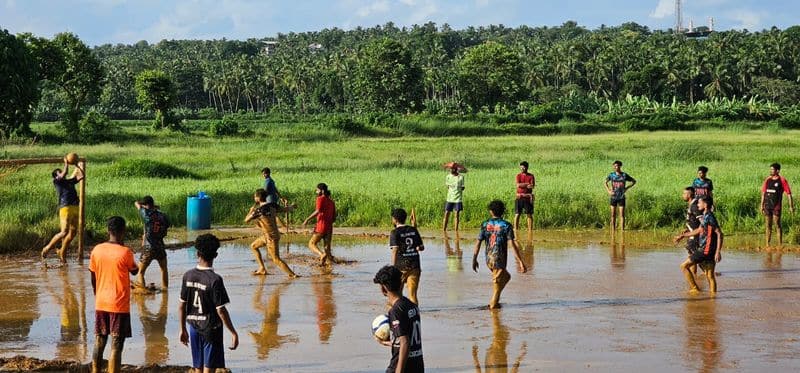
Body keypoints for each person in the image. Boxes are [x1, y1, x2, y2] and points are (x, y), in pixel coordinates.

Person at [178, 233, 239, 373]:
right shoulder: (215, 280)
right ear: (216, 255)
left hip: (193, 326)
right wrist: (233, 332)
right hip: (211, 329)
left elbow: (181, 306)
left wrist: (182, 329)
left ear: (197, 253)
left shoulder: (188, 275)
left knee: (197, 367)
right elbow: (221, 310)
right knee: (209, 368)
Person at [89, 216, 139, 373]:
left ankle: (95, 370)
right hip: (119, 305)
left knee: (99, 340)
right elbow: (135, 271)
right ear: (123, 231)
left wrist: (98, 295)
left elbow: (93, 277)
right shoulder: (125, 252)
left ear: (107, 231)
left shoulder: (97, 250)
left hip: (101, 302)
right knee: (116, 344)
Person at [472, 200, 527, 309]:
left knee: (507, 277)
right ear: (503, 212)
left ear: (491, 212)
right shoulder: (506, 226)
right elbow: (512, 245)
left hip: (489, 259)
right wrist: (520, 261)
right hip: (500, 259)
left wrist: (474, 259)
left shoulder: (485, 224)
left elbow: (478, 243)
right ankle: (493, 308)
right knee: (497, 286)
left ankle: (495, 303)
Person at [373, 265, 424, 373]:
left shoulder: (395, 311)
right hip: (417, 365)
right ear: (401, 284)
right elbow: (406, 340)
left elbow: (405, 342)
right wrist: (385, 343)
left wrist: (399, 370)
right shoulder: (412, 305)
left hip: (401, 366)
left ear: (383, 288)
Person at [674, 196, 723, 294]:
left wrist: (718, 251)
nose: (697, 205)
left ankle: (694, 288)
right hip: (709, 250)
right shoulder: (705, 216)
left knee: (684, 266)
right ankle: (713, 299)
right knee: (710, 276)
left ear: (705, 205)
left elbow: (719, 233)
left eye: (699, 203)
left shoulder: (710, 217)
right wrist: (683, 235)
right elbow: (699, 230)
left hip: (705, 249)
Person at [245, 188, 298, 278]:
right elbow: (285, 209)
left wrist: (251, 211)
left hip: (270, 237)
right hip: (271, 235)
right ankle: (262, 268)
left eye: (255, 196)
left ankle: (293, 275)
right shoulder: (272, 205)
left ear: (258, 198)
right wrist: (292, 206)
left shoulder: (258, 211)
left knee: (276, 259)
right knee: (253, 246)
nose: (254, 198)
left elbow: (246, 220)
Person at [41, 157, 85, 263]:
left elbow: (82, 176)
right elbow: (64, 173)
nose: (61, 173)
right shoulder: (57, 182)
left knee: (73, 233)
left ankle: (62, 251)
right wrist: (66, 163)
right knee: (64, 232)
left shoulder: (69, 181)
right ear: (56, 176)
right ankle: (47, 248)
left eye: (61, 171)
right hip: (65, 208)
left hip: (75, 207)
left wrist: (77, 165)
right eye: (59, 173)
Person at [389, 208, 425, 305]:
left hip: (400, 267)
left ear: (395, 220)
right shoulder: (413, 230)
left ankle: (398, 315)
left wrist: (392, 268)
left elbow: (395, 251)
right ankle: (415, 315)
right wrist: (418, 248)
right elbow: (421, 247)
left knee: (397, 295)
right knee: (412, 295)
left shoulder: (394, 233)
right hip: (414, 265)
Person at [134, 196, 170, 289]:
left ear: (145, 205)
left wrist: (142, 205)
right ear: (153, 204)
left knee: (140, 272)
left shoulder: (146, 214)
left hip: (148, 247)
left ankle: (142, 293)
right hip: (160, 246)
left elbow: (136, 203)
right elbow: (167, 224)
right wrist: (155, 208)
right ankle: (165, 291)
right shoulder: (163, 216)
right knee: (164, 270)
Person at [760, 163, 795, 247]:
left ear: (777, 171)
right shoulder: (767, 179)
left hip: (776, 206)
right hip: (767, 205)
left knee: (777, 225)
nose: (771, 171)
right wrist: (761, 205)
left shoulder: (782, 180)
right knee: (768, 225)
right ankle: (767, 245)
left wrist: (791, 206)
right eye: (770, 169)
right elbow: (763, 193)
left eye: (772, 169)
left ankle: (780, 245)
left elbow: (789, 194)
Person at [302, 183, 337, 266]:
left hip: (321, 226)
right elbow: (334, 217)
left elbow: (317, 211)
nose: (316, 191)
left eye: (317, 190)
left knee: (311, 244)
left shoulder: (320, 199)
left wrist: (307, 219)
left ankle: (321, 254)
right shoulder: (331, 202)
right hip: (329, 227)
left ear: (322, 191)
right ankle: (327, 264)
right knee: (327, 248)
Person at [675, 187, 702, 274]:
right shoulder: (692, 205)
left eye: (684, 194)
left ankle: (707, 274)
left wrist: (686, 235)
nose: (682, 195)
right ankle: (695, 277)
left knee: (696, 258)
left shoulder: (694, 206)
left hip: (695, 237)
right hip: (692, 235)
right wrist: (686, 231)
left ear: (689, 195)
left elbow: (702, 223)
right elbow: (694, 222)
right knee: (692, 256)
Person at [604, 160, 636, 230]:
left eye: (617, 166)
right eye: (614, 166)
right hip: (613, 197)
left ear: (620, 166)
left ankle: (622, 230)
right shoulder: (611, 175)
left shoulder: (624, 175)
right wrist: (609, 190)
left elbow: (634, 181)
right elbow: (605, 182)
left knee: (622, 215)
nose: (615, 167)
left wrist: (627, 188)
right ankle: (613, 230)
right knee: (613, 215)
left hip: (621, 197)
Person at [514, 161, 536, 232]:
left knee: (529, 215)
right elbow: (518, 185)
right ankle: (515, 230)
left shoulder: (531, 176)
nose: (522, 168)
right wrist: (527, 184)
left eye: (523, 166)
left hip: (528, 198)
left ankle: (530, 230)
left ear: (527, 167)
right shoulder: (518, 175)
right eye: (521, 166)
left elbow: (532, 186)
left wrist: (523, 185)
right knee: (517, 214)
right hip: (519, 197)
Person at [442, 162, 465, 232]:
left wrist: (458, 189)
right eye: (450, 169)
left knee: (456, 215)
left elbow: (463, 187)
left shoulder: (461, 177)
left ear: (456, 169)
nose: (451, 170)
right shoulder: (448, 177)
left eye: (452, 169)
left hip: (458, 198)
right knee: (446, 214)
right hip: (449, 198)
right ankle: (443, 230)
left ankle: (456, 230)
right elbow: (448, 187)